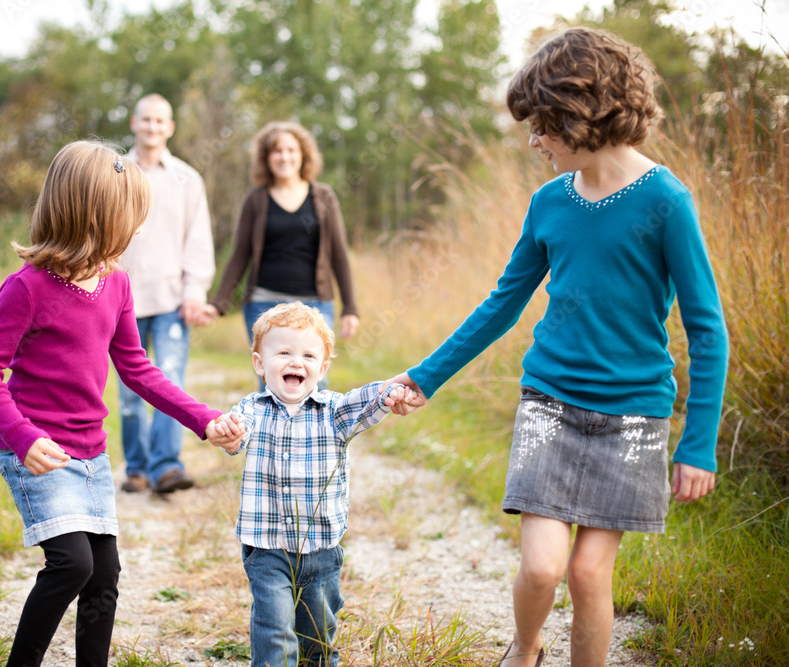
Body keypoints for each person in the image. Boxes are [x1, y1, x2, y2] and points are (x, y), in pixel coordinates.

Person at [388, 28, 729, 667]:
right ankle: (525, 648)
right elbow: (502, 303)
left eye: (542, 125)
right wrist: (425, 376)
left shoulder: (666, 202)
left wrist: (699, 442)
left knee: (589, 575)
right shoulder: (549, 202)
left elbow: (707, 329)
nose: (533, 140)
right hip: (549, 404)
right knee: (543, 569)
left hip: (634, 418)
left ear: (580, 115)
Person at [0, 140, 241, 667]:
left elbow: (137, 368)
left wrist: (203, 420)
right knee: (71, 565)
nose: (138, 230)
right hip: (40, 453)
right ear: (93, 217)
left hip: (90, 456)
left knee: (104, 572)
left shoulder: (116, 284)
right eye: (130, 219)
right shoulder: (27, 289)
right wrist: (23, 437)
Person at [209, 302, 418, 667]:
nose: (296, 362)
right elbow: (235, 434)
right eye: (284, 352)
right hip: (266, 547)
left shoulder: (334, 412)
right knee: (274, 630)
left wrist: (390, 392)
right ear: (260, 364)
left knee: (317, 637)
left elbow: (364, 402)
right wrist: (226, 433)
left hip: (321, 550)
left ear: (322, 368)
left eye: (308, 355)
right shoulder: (253, 408)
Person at [201, 121, 360, 388]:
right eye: (277, 151)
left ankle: (313, 432)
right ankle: (272, 432)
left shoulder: (323, 197)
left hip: (315, 304)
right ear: (266, 158)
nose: (284, 156)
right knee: (272, 383)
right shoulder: (256, 199)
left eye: (291, 150)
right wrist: (218, 304)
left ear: (303, 155)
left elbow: (339, 256)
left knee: (315, 383)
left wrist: (350, 308)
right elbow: (240, 254)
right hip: (264, 304)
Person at [115, 93, 216, 495]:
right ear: (134, 123)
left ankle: (167, 467)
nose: (153, 127)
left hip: (173, 299)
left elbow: (198, 240)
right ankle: (137, 469)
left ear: (170, 128)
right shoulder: (115, 172)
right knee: (129, 391)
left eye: (161, 121)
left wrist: (195, 290)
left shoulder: (187, 179)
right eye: (146, 120)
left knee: (170, 381)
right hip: (123, 298)